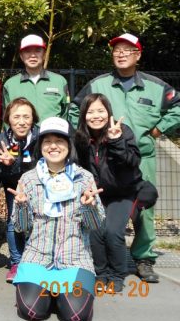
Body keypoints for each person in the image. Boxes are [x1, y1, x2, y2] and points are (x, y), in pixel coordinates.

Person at [69, 33, 180, 283]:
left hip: (142, 158)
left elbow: (178, 107)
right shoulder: (99, 85)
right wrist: (84, 135)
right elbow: (75, 108)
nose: (121, 54)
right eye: (117, 50)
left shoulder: (156, 86)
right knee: (102, 206)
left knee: (144, 210)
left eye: (127, 50)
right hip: (105, 158)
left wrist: (159, 128)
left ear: (138, 55)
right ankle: (105, 256)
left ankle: (143, 258)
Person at [9, 117, 104, 321]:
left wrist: (89, 207)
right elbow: (20, 227)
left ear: (69, 145)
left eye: (60, 140)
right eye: (47, 141)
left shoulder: (84, 178)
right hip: (37, 258)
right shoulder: (28, 179)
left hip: (76, 260)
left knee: (76, 317)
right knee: (32, 312)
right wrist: (23, 205)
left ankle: (59, 292)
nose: (53, 146)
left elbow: (96, 225)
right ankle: (50, 291)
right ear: (40, 146)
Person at [75, 93, 142, 292]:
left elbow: (132, 162)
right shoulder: (80, 138)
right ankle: (101, 273)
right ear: (84, 115)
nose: (96, 116)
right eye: (90, 111)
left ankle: (116, 275)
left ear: (109, 112)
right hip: (97, 194)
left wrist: (116, 141)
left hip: (123, 193)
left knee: (113, 232)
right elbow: (77, 166)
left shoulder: (122, 132)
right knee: (95, 231)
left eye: (101, 111)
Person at [0, 98, 40, 283]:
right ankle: (16, 262)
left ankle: (35, 260)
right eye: (16, 117)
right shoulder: (3, 139)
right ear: (8, 119)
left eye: (26, 117)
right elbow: (1, 172)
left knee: (37, 222)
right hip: (13, 186)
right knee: (14, 221)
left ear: (33, 119)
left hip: (38, 186)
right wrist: (8, 165)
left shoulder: (40, 137)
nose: (21, 122)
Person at [3, 34, 69, 122]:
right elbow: (7, 118)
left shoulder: (60, 81)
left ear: (44, 54)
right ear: (21, 56)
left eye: (38, 51)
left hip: (52, 135)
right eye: (27, 51)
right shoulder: (10, 85)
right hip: (22, 135)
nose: (33, 55)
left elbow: (66, 113)